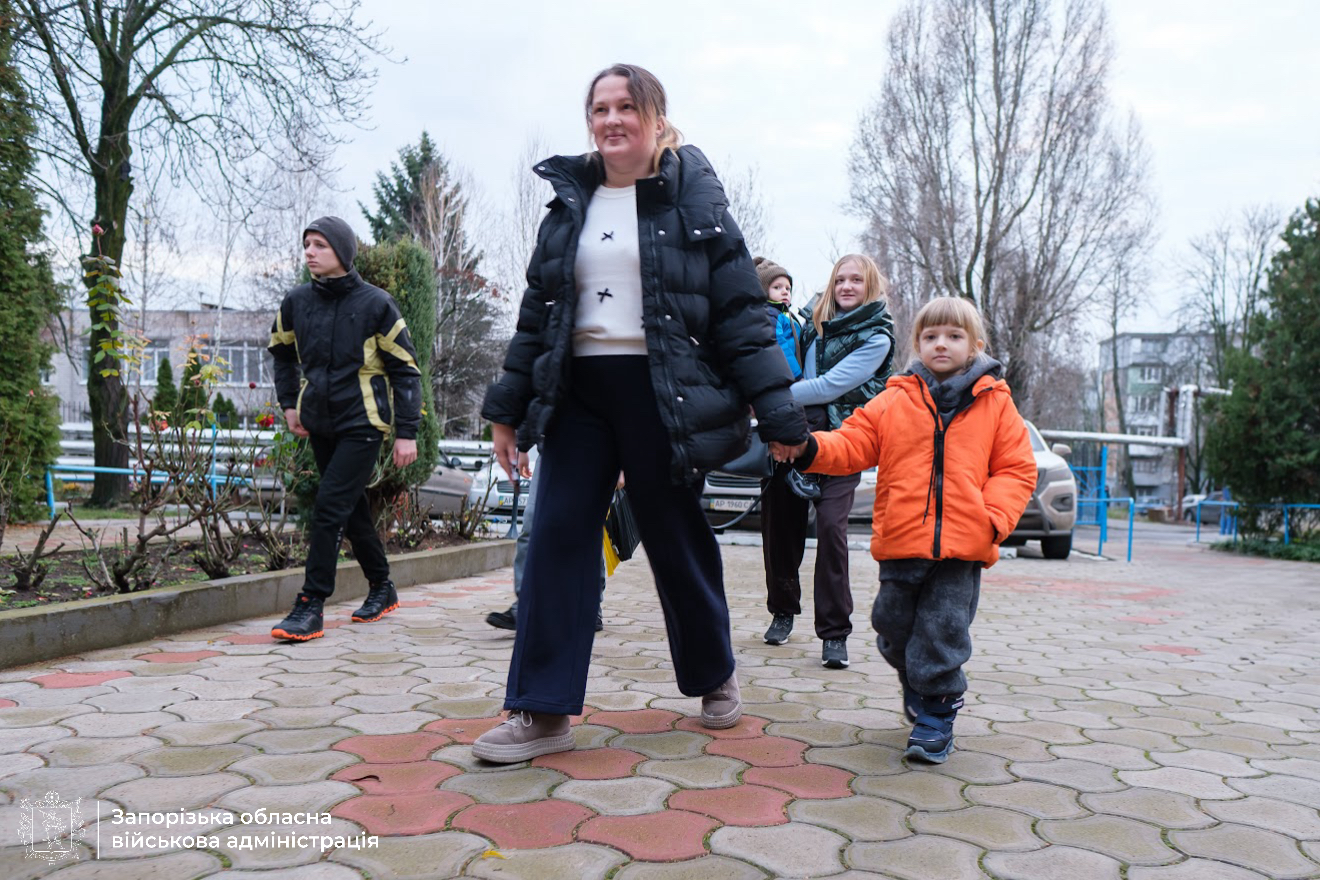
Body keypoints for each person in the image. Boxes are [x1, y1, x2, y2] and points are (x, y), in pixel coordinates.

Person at [473, 63, 808, 763]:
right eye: (599, 109)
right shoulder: (570, 203)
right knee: (557, 538)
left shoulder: (695, 200)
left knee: (675, 537)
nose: (612, 119)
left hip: (663, 393)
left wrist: (779, 417)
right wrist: (507, 411)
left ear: (655, 119)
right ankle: (541, 710)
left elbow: (741, 316)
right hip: (578, 395)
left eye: (626, 106)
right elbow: (537, 315)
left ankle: (713, 673)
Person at [771, 296, 1036, 763]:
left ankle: (937, 712)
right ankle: (916, 674)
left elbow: (1016, 469)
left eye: (953, 336)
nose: (941, 344)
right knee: (892, 625)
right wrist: (809, 448)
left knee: (942, 630)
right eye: (931, 336)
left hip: (961, 549)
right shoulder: (895, 398)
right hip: (901, 542)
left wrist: (992, 519)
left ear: (975, 345)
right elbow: (853, 442)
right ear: (917, 343)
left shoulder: (995, 404)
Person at [267, 216, 422, 641]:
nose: (310, 252)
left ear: (342, 251)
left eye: (320, 245)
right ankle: (382, 586)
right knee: (350, 510)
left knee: (329, 506)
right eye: (307, 244)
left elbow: (406, 370)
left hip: (363, 422)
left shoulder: (377, 304)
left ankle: (311, 603)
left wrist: (407, 432)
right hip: (319, 421)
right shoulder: (296, 301)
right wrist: (289, 405)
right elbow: (282, 354)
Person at [761, 254, 895, 670]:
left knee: (832, 531)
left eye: (856, 280)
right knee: (780, 526)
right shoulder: (811, 323)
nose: (847, 287)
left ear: (870, 286)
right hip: (796, 433)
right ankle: (782, 610)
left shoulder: (877, 336)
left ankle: (834, 633)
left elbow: (827, 386)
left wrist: (765, 396)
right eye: (840, 280)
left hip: (845, 441)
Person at [485, 446, 607, 633]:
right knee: (532, 522)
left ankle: (591, 605)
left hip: (590, 452)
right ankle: (524, 606)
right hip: (549, 451)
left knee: (586, 529)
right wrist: (524, 448)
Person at [755, 256, 802, 380]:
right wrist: (797, 375)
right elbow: (779, 345)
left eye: (788, 288)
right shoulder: (770, 314)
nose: (785, 292)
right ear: (764, 291)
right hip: (783, 375)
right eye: (777, 287)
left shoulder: (785, 315)